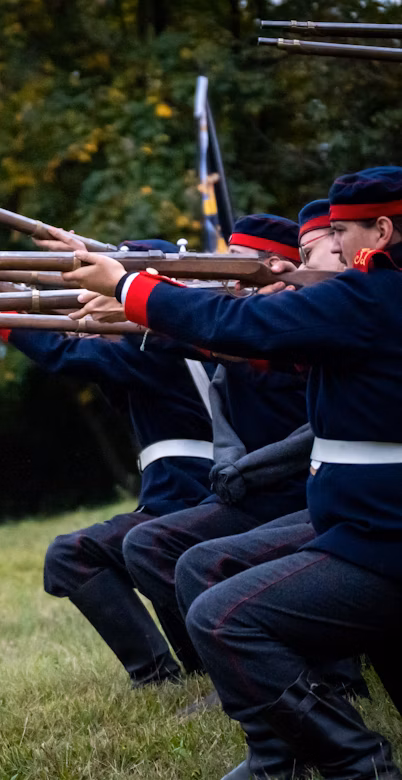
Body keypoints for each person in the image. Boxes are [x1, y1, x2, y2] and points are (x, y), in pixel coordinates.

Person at [65, 167, 402, 779]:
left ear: (381, 231)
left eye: (344, 231)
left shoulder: (375, 297)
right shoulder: (371, 299)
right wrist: (144, 301)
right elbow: (251, 333)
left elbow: (243, 327)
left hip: (379, 537)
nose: (340, 245)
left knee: (225, 617)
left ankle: (359, 765)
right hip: (363, 527)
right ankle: (285, 755)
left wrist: (129, 286)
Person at [0, 239, 218, 686]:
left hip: (188, 495)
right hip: (182, 493)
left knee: (73, 556)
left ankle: (160, 675)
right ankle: (187, 668)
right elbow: (90, 356)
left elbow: (64, 355)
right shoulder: (166, 345)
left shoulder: (158, 350)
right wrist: (5, 293)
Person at [119, 215, 311, 678]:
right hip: (252, 487)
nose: (226, 276)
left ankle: (281, 670)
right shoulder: (247, 318)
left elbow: (223, 336)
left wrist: (133, 298)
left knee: (174, 554)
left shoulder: (297, 319)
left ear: (273, 266)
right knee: (147, 544)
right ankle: (230, 667)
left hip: (290, 488)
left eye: (237, 266)